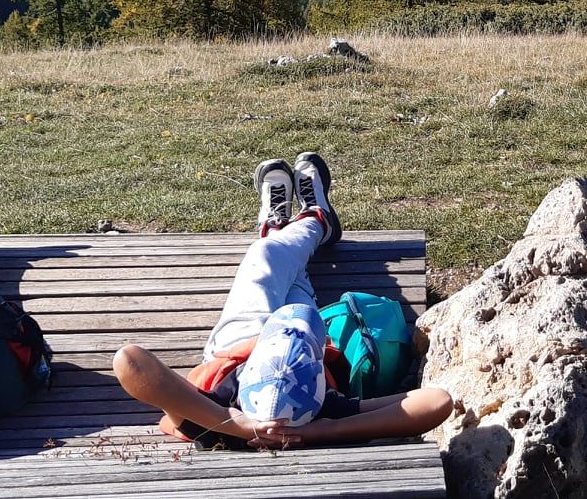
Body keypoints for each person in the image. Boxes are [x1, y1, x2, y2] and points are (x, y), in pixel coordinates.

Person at [113, 152, 453, 450]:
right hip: (286, 343)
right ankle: (312, 221)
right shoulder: (322, 413)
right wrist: (326, 430)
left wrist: (231, 422)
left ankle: (290, 226)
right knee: (291, 273)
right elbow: (437, 401)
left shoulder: (213, 418)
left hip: (237, 342)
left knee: (264, 255)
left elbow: (129, 360)